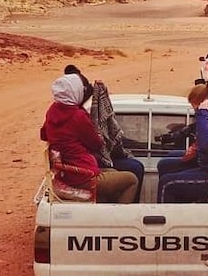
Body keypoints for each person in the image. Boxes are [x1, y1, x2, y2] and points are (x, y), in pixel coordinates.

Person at [40, 73, 138, 203]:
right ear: (75, 92)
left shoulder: (52, 110)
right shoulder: (77, 116)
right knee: (132, 180)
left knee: (112, 171)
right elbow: (96, 144)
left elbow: (44, 134)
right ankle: (120, 219)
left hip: (67, 173)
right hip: (83, 176)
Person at [65, 64, 145, 203]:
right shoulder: (78, 115)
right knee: (134, 172)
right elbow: (96, 143)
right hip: (84, 169)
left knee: (127, 169)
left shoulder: (57, 112)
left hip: (77, 167)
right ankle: (124, 216)